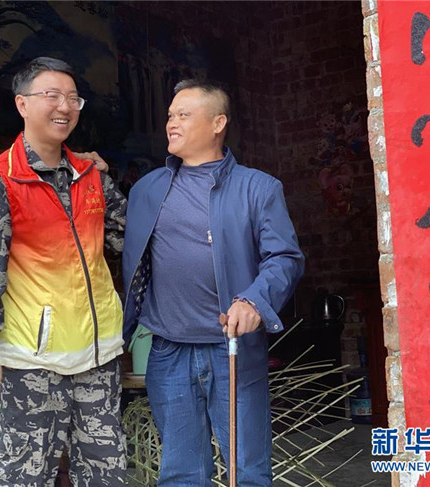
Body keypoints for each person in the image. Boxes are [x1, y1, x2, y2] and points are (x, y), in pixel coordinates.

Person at [122, 79, 305, 486]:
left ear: (218, 123)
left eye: (184, 115)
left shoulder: (257, 188)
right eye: (170, 115)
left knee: (247, 471)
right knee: (181, 473)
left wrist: (254, 301)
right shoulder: (146, 190)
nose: (171, 123)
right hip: (168, 350)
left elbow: (285, 258)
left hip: (232, 348)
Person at [0, 57, 127, 487]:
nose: (64, 106)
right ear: (22, 104)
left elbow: (125, 239)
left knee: (106, 472)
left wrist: (107, 176)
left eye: (73, 98)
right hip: (31, 360)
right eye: (51, 95)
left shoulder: (90, 175)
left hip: (98, 353)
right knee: (25, 474)